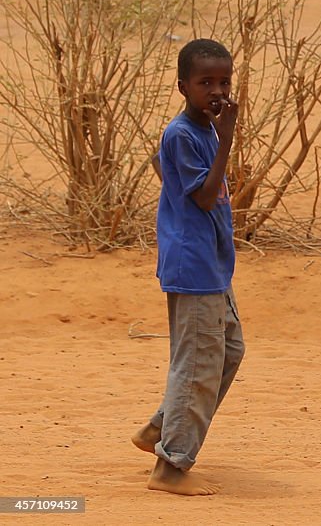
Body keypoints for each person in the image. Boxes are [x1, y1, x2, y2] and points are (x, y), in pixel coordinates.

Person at [131, 38, 245, 494]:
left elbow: (163, 167)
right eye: (205, 83)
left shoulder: (202, 129)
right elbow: (200, 195)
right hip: (194, 266)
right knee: (198, 364)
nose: (216, 91)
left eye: (224, 81)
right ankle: (171, 467)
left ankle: (161, 427)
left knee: (228, 351)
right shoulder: (186, 132)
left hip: (212, 263)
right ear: (183, 87)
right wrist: (228, 141)